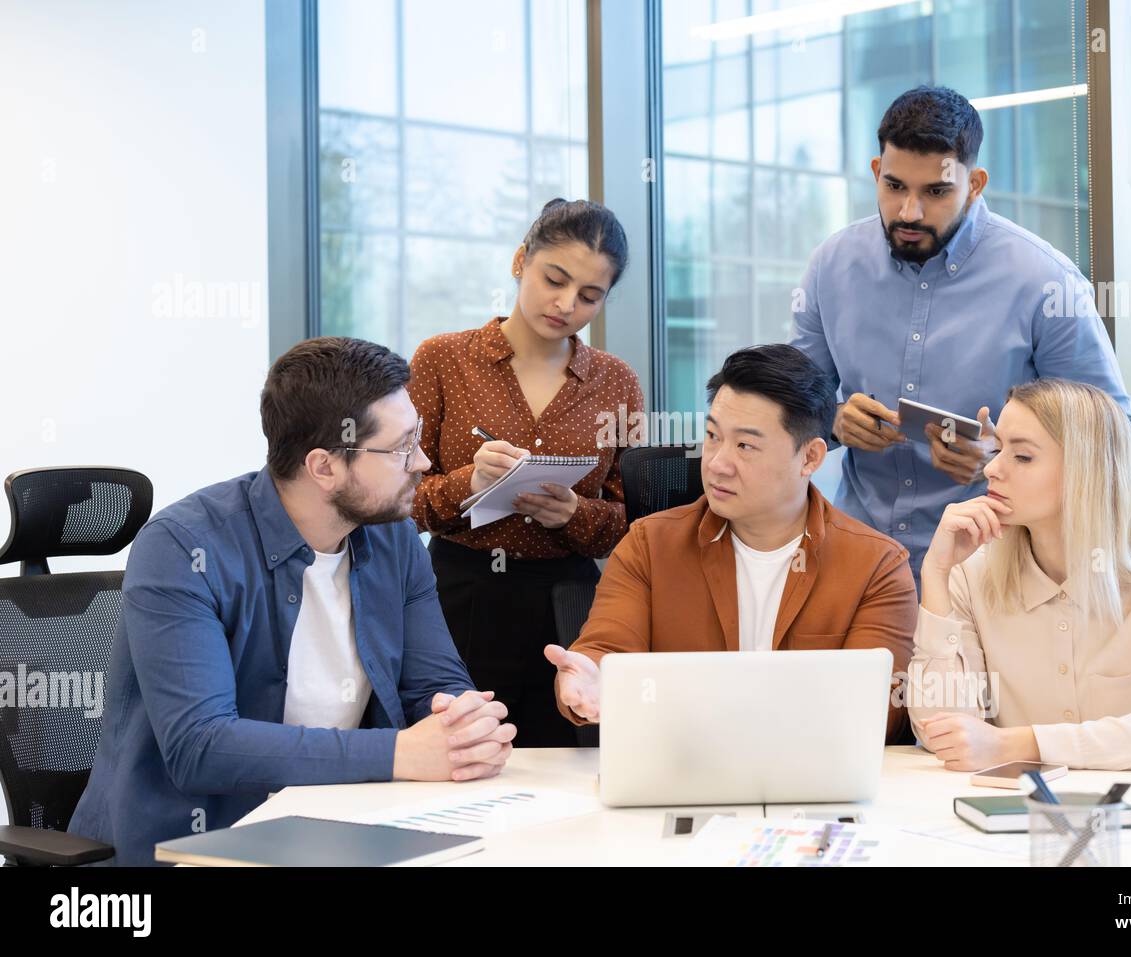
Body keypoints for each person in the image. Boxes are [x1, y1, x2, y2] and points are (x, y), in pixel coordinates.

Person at [70, 338, 515, 865]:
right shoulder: (182, 546)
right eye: (401, 446)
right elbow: (201, 747)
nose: (421, 461)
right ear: (324, 467)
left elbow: (436, 687)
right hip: (196, 844)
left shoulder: (393, 537)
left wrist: (465, 727)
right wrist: (401, 752)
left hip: (346, 827)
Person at [789, 85, 1131, 586]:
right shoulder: (830, 266)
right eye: (894, 186)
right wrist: (834, 421)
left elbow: (1114, 431)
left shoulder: (1045, 282)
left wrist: (1003, 453)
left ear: (974, 184)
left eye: (935, 192)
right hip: (858, 563)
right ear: (874, 173)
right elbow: (794, 407)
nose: (909, 212)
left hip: (997, 569)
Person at [544, 344, 917, 743]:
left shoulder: (876, 565)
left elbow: (876, 710)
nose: (717, 462)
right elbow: (606, 650)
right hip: (679, 774)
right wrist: (593, 680)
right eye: (712, 436)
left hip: (811, 784)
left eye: (745, 446)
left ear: (809, 457)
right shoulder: (649, 545)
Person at [408, 198, 644, 748]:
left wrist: (574, 514)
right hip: (458, 593)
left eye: (590, 296)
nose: (566, 304)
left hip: (568, 605)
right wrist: (468, 482)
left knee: (569, 760)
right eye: (553, 280)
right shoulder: (443, 359)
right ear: (520, 261)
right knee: (457, 753)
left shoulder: (615, 382)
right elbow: (400, 499)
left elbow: (638, 522)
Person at [907, 378, 1131, 771]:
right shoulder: (972, 576)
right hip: (1012, 821)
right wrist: (937, 574)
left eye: (1022, 457)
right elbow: (939, 733)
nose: (991, 468)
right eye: (997, 450)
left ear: (1087, 472)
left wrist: (1018, 744)